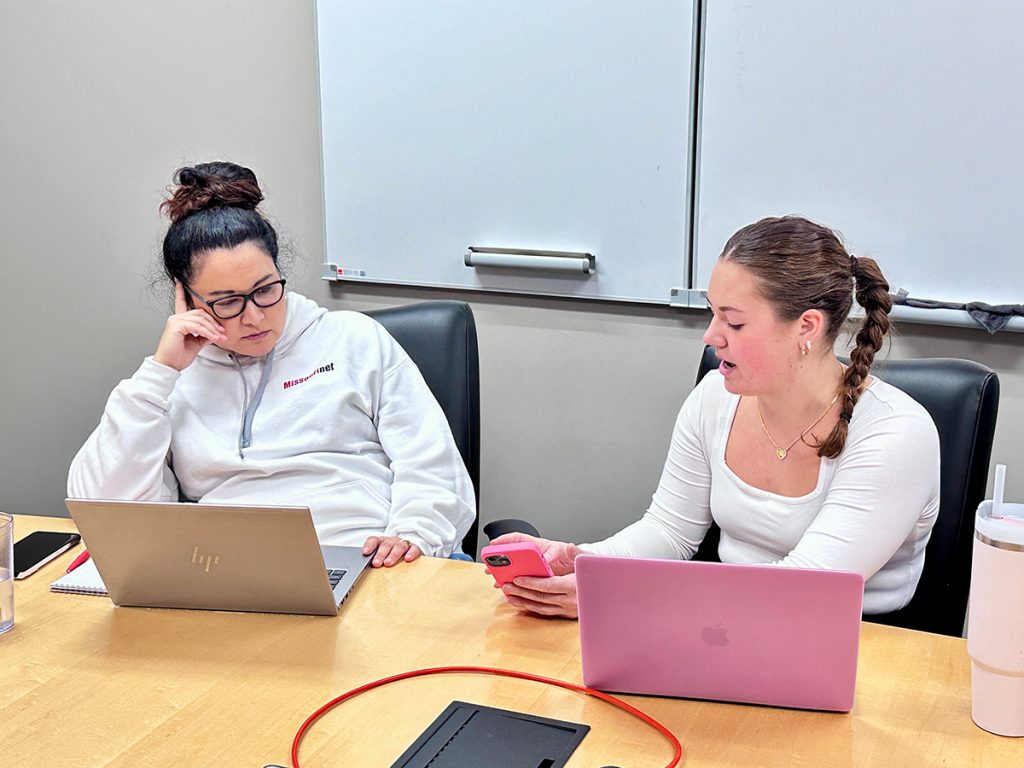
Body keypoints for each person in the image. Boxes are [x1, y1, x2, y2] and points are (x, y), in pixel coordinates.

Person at [494, 216, 940, 617]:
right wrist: (584, 560)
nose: (712, 337)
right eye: (713, 313)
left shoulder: (896, 433)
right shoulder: (715, 397)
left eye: (735, 322)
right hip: (723, 624)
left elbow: (805, 588)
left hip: (865, 646)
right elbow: (670, 530)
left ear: (807, 326)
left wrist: (617, 591)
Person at [68, 161, 475, 567]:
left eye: (265, 289)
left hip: (362, 555)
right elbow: (105, 512)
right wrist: (160, 374)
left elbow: (433, 466)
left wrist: (413, 535)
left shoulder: (354, 339)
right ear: (188, 300)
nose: (255, 317)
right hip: (228, 571)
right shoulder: (173, 381)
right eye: (227, 302)